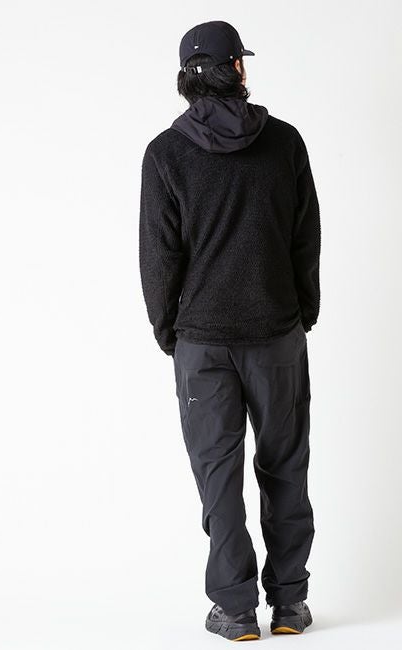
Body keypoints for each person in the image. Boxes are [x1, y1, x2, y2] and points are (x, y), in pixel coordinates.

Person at [139, 20, 320, 641]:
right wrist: (303, 310)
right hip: (277, 334)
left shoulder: (164, 154)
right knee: (285, 466)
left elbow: (158, 257)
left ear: (186, 78)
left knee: (219, 476)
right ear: (237, 69)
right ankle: (290, 603)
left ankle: (237, 610)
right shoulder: (285, 143)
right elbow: (305, 238)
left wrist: (169, 330)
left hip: (203, 344)